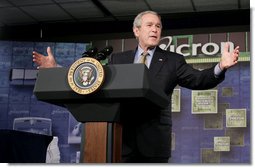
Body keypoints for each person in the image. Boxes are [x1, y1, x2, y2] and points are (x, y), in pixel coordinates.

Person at [33, 11, 239, 163]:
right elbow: (91, 82)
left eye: (158, 26)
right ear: (136, 30)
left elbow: (199, 79)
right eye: (149, 25)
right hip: (118, 141)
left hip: (154, 144)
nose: (155, 29)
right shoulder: (118, 58)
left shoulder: (173, 60)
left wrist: (220, 66)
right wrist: (56, 69)